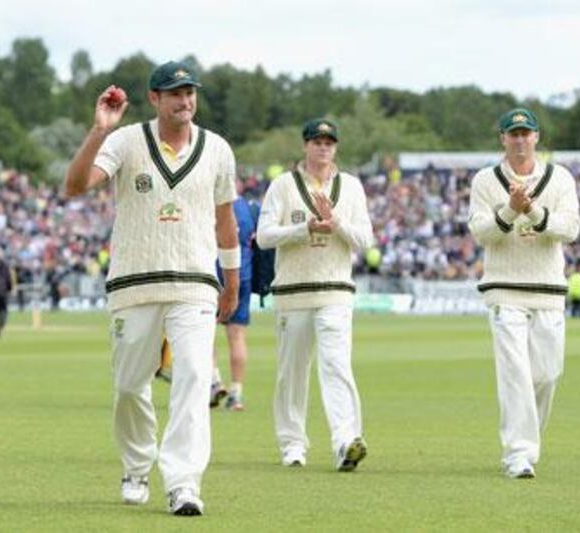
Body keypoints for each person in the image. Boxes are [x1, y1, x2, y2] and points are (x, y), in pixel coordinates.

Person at [64, 60, 239, 516]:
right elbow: (75, 186)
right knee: (129, 385)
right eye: (174, 93)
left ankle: (183, 482)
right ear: (155, 99)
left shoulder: (217, 149)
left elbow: (225, 221)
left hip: (195, 282)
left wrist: (232, 279)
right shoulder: (124, 141)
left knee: (196, 376)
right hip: (133, 283)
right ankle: (137, 464)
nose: (185, 100)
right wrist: (98, 130)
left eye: (190, 92)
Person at [468, 108, 580, 479]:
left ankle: (526, 441)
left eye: (525, 133)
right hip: (504, 289)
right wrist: (509, 210)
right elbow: (481, 232)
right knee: (515, 371)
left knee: (547, 374)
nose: (519, 140)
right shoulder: (486, 180)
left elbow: (570, 229)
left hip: (548, 289)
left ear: (536, 137)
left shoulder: (559, 178)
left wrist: (531, 211)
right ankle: (519, 453)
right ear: (502, 138)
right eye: (512, 134)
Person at [257, 118, 374, 472]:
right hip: (293, 292)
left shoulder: (351, 187)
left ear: (335, 147)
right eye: (317, 141)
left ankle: (345, 441)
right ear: (305, 145)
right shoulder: (283, 186)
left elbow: (365, 241)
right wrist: (303, 227)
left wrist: (335, 223)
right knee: (292, 372)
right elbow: (264, 237)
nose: (323, 147)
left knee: (336, 364)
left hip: (336, 290)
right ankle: (293, 444)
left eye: (329, 142)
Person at [211, 190, 258, 411]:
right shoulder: (247, 209)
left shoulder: (211, 203)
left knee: (205, 333)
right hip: (242, 275)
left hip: (213, 274)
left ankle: (214, 380)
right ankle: (236, 393)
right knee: (237, 336)